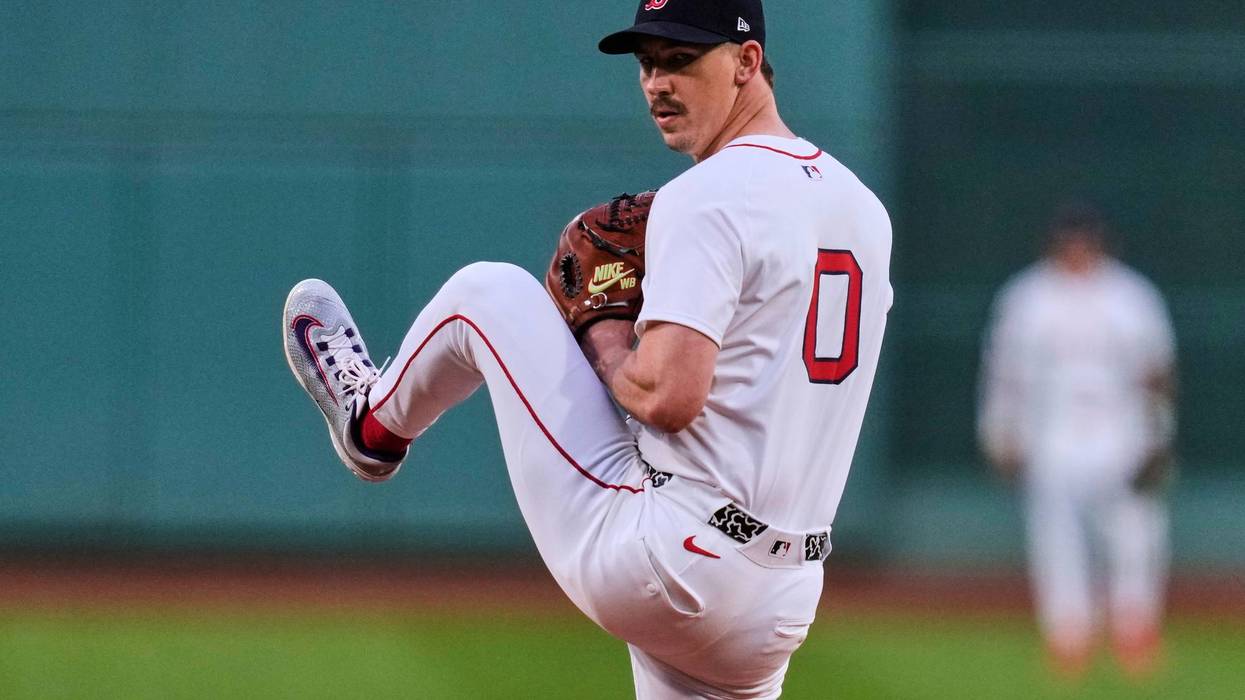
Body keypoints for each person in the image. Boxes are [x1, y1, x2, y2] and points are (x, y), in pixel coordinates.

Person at [282, 1, 892, 696]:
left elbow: (666, 397)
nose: (657, 81)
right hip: (781, 597)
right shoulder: (860, 207)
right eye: (647, 62)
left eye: (681, 59)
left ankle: (371, 423)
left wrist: (599, 326)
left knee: (491, 295)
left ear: (746, 63)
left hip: (672, 560)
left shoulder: (707, 195)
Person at [977, 201, 1177, 681]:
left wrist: (1160, 434)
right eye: (1069, 239)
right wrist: (1000, 431)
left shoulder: (1131, 295)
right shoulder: (1027, 296)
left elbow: (1157, 372)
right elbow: (1005, 374)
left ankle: (1135, 629)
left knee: (1135, 536)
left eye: (1085, 239)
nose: (1078, 249)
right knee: (1057, 540)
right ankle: (1068, 635)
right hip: (1054, 431)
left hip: (1121, 428)